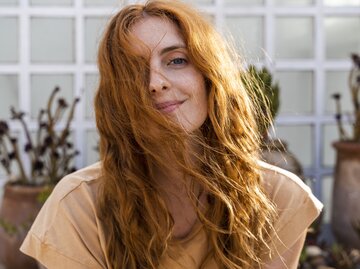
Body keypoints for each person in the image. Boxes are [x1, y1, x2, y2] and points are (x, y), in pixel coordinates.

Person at [20, 0, 323, 268]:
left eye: (176, 60)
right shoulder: (77, 207)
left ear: (209, 76)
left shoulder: (279, 197)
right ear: (117, 99)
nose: (156, 83)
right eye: (134, 71)